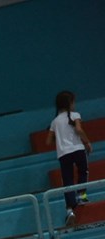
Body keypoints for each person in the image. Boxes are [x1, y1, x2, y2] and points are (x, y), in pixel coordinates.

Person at [46, 90, 92, 227]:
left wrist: (60, 136)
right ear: (70, 103)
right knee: (83, 171)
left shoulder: (54, 122)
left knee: (67, 180)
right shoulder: (75, 115)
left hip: (63, 154)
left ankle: (70, 210)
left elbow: (48, 142)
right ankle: (82, 196)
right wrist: (87, 142)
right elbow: (78, 130)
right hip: (78, 149)